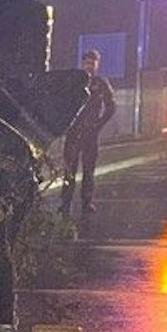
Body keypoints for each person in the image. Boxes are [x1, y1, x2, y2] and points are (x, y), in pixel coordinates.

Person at [61, 49, 118, 215]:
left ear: (97, 65)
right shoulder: (74, 82)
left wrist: (99, 124)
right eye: (87, 63)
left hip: (91, 134)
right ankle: (65, 203)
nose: (90, 66)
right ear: (82, 64)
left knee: (88, 170)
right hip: (73, 133)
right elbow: (64, 104)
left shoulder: (101, 83)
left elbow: (111, 106)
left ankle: (87, 202)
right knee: (69, 170)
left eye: (93, 63)